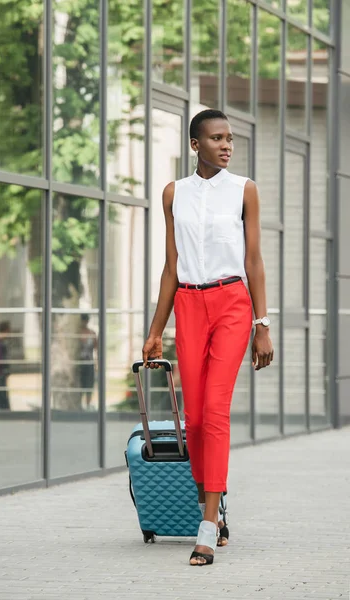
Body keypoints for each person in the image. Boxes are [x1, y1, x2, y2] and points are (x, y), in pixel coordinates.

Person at [142, 109, 274, 566]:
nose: (226, 145)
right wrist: (156, 330)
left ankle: (207, 523)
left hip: (233, 303)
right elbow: (171, 266)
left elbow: (254, 260)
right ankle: (213, 506)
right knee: (194, 420)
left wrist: (262, 323)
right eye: (216, 138)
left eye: (230, 139)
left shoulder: (244, 190)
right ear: (195, 145)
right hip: (188, 306)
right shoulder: (173, 194)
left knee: (215, 411)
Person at [79, 314, 97, 410]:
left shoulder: (92, 333)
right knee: (80, 383)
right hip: (79, 363)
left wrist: (97, 364)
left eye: (85, 320)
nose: (84, 322)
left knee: (89, 384)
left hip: (89, 363)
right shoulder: (76, 333)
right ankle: (80, 405)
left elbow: (96, 349)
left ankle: (88, 405)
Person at [0, 321, 11, 410]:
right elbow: (0, 357)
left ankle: (2, 408)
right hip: (0, 370)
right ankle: (2, 409)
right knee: (0, 391)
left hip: (1, 370)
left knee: (1, 390)